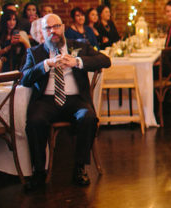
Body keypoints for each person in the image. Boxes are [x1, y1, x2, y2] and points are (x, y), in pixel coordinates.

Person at [21, 13, 111, 190]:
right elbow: (25, 78)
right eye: (48, 28)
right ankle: (39, 172)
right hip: (47, 100)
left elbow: (105, 61)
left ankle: (79, 168)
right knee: (34, 120)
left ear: (62, 28)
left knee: (88, 117)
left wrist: (77, 61)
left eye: (56, 26)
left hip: (75, 99)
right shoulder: (35, 52)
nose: (53, 31)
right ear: (43, 32)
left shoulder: (80, 46)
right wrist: (46, 64)